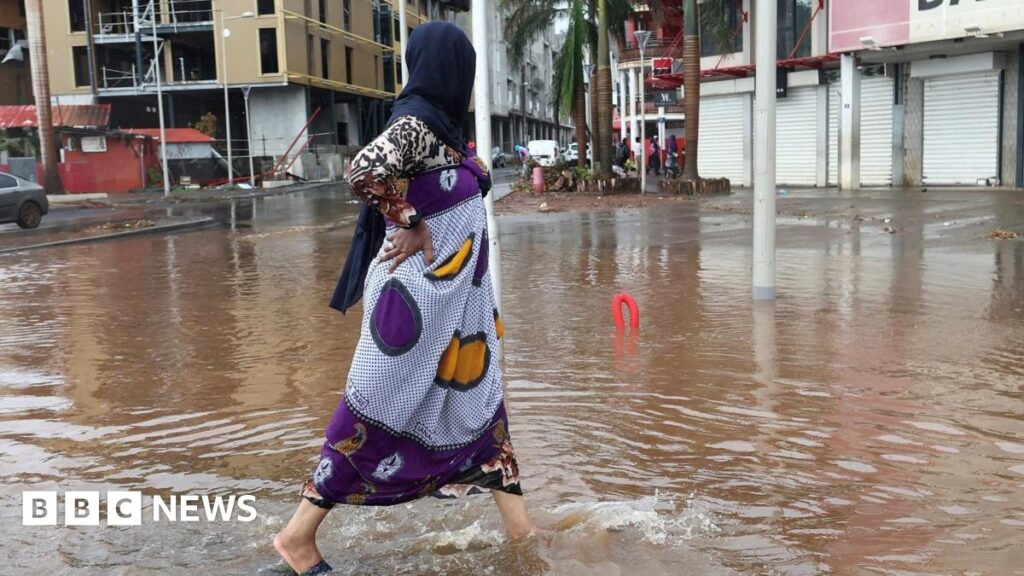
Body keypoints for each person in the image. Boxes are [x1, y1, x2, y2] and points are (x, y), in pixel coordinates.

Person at [274, 22, 534, 576]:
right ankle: (297, 537)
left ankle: (524, 536)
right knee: (374, 409)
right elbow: (365, 170)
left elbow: (468, 183)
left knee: (482, 413)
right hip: (413, 307)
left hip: (458, 307)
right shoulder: (416, 121)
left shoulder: (443, 130)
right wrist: (411, 219)